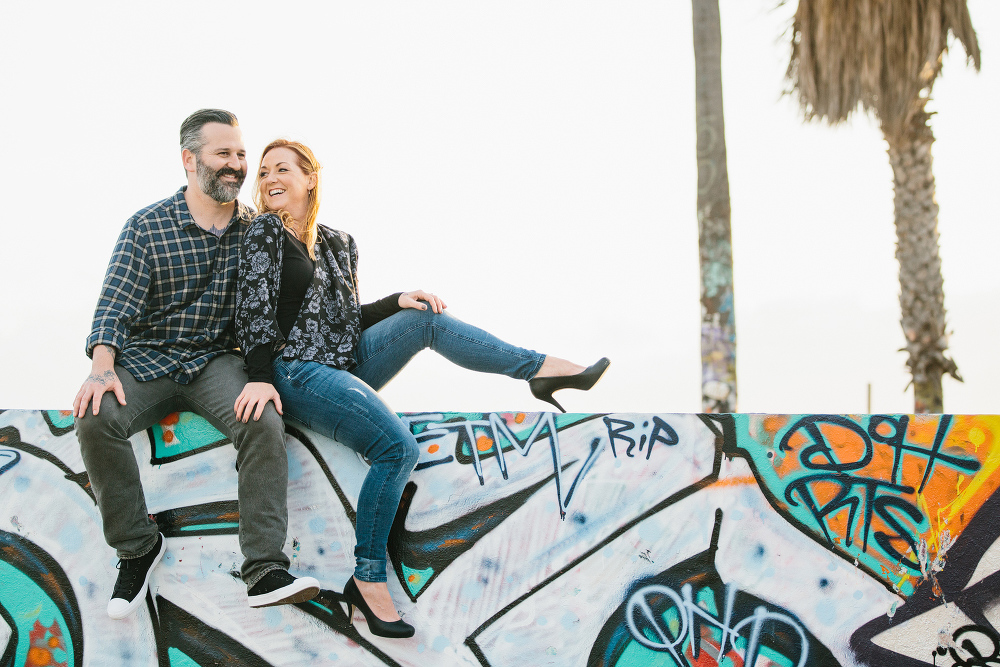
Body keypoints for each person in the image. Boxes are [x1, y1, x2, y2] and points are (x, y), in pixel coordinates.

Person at [234, 139, 609, 638]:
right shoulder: (262, 233)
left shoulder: (339, 243)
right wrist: (260, 377)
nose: (269, 179)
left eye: (282, 168)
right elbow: (253, 312)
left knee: (424, 317)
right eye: (263, 173)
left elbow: (346, 319)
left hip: (344, 362)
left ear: (310, 178)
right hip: (295, 371)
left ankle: (539, 368)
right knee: (395, 449)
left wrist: (397, 301)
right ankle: (366, 581)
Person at [73, 110, 320, 620]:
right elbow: (114, 307)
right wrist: (102, 367)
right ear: (190, 160)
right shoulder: (147, 226)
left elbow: (297, 299)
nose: (236, 166)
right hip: (150, 356)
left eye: (240, 155)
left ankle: (265, 570)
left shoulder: (259, 233)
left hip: (215, 361)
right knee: (96, 417)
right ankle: (137, 546)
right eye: (222, 154)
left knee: (262, 420)